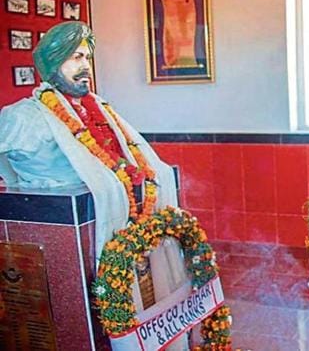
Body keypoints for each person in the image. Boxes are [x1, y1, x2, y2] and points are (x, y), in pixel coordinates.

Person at [0, 22, 189, 350]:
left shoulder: (99, 109)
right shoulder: (22, 118)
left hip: (113, 225)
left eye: (87, 56)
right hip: (59, 225)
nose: (85, 65)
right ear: (53, 62)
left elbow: (131, 160)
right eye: (75, 57)